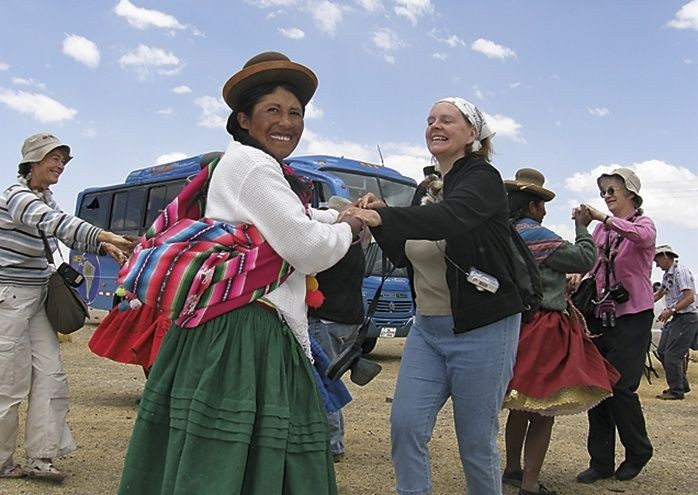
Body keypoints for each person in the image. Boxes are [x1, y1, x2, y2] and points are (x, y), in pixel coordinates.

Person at [117, 52, 362, 495]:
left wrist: (337, 217)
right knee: (240, 456)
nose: (287, 122)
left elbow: (298, 222)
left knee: (219, 452)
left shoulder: (250, 168)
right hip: (245, 332)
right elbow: (306, 247)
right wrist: (351, 227)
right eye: (273, 110)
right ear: (244, 119)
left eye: (295, 113)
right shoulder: (255, 166)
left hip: (225, 326)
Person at [344, 97, 522, 495]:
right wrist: (381, 216)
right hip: (427, 328)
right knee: (406, 427)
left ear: (472, 134)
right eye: (429, 120)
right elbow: (403, 246)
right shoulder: (426, 187)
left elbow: (451, 217)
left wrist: (383, 216)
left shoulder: (483, 179)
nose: (435, 126)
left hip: (483, 327)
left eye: (447, 120)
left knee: (475, 443)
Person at [0, 133, 132, 481]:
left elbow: (68, 233)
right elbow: (53, 224)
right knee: (9, 383)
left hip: (39, 295)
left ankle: (41, 458)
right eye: (53, 159)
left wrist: (107, 249)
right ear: (32, 162)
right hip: (10, 297)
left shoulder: (45, 198)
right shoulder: (17, 197)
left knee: (51, 375)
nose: (59, 165)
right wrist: (105, 235)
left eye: (63, 160)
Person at [501, 168, 620, 495]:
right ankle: (529, 483)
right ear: (532, 206)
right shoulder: (538, 235)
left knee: (521, 405)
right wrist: (582, 227)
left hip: (516, 324)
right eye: (541, 204)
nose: (544, 210)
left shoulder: (502, 234)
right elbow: (583, 258)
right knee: (543, 411)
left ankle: (512, 469)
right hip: (546, 326)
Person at [572, 168, 655, 484]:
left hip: (633, 316)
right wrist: (576, 275)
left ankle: (638, 451)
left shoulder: (642, 224)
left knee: (620, 386)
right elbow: (589, 262)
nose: (606, 196)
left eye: (612, 190)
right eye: (604, 191)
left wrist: (602, 218)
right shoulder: (600, 233)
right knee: (597, 386)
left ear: (631, 194)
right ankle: (601, 461)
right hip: (600, 314)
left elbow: (642, 238)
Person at [307, 205, 366, 462]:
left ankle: (332, 444)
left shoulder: (333, 247)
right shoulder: (358, 248)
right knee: (332, 379)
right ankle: (335, 439)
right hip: (351, 320)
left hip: (327, 319)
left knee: (323, 382)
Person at [653, 244, 697, 400]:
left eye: (657, 260)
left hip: (687, 317)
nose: (656, 264)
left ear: (666, 256)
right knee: (663, 351)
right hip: (677, 317)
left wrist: (671, 310)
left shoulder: (681, 272)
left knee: (673, 354)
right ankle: (681, 385)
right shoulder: (667, 276)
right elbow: (659, 293)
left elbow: (690, 297)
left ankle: (676, 390)